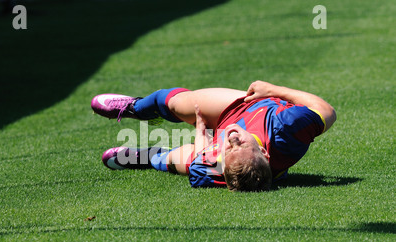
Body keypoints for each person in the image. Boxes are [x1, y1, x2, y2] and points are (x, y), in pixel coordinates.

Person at [91, 80, 336, 192]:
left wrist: (202, 132)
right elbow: (327, 111)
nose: (230, 138)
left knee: (182, 163)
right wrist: (272, 90)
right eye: (238, 143)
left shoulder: (219, 168)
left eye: (227, 148)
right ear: (263, 152)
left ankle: (148, 158)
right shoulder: (289, 127)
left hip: (229, 152)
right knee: (178, 104)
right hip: (250, 107)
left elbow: (199, 160)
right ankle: (137, 107)